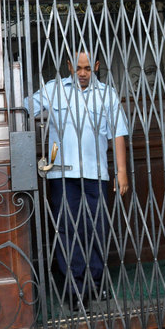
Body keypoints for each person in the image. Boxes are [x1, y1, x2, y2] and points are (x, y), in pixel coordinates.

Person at [25, 51, 129, 309]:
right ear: (69, 65)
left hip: (96, 174)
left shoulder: (107, 94)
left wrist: (122, 171)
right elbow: (24, 107)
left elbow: (117, 133)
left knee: (96, 227)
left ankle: (94, 283)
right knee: (68, 230)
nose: (82, 73)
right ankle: (75, 289)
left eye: (87, 68)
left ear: (96, 66)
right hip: (62, 174)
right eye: (78, 68)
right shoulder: (55, 89)